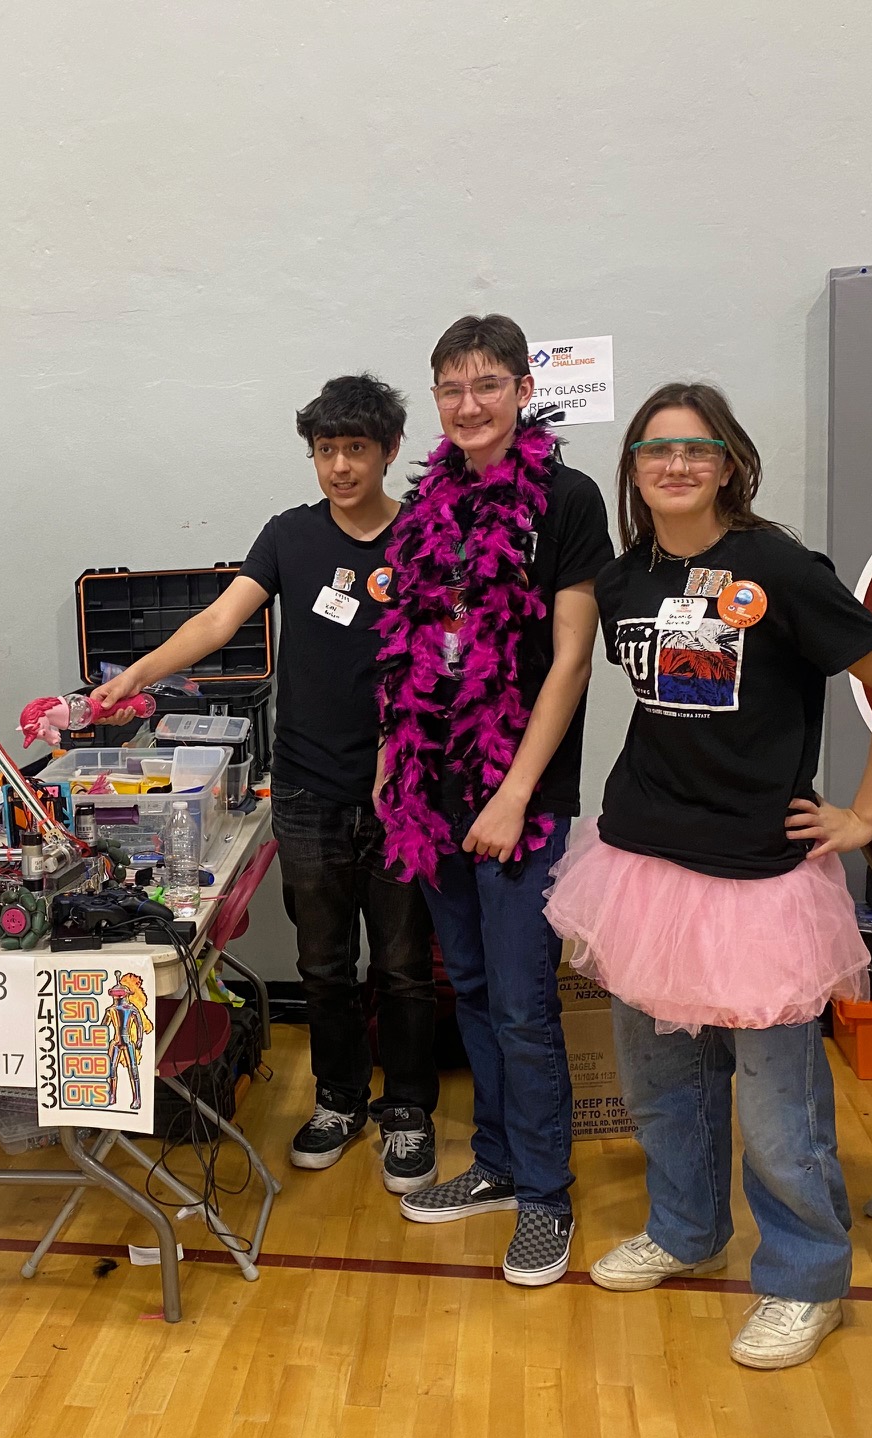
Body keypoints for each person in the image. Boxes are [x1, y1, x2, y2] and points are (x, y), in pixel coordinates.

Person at [545, 382, 872, 1369]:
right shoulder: (624, 578)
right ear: (633, 467)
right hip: (640, 865)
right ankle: (683, 1230)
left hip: (758, 881)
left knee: (776, 1110)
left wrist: (867, 814)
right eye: (655, 451)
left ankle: (805, 1278)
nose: (675, 466)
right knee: (662, 1086)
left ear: (729, 463)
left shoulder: (779, 566)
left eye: (696, 449)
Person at [96, 374, 442, 1193]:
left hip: (404, 791)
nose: (340, 466)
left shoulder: (428, 536)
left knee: (401, 963)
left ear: (389, 451)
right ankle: (339, 1098)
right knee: (323, 961)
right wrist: (135, 677)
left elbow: (450, 657)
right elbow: (221, 620)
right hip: (309, 788)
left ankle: (410, 1109)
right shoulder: (290, 536)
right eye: (326, 450)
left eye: (357, 449)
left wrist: (408, 746)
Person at [373, 315, 614, 1288]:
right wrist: (395, 751)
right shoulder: (426, 501)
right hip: (434, 793)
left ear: (523, 388)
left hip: (523, 794)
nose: (468, 404)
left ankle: (547, 1198)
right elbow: (411, 643)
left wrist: (516, 792)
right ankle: (501, 1165)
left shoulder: (569, 499)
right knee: (465, 988)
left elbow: (571, 658)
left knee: (522, 1005)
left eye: (486, 385)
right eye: (450, 388)